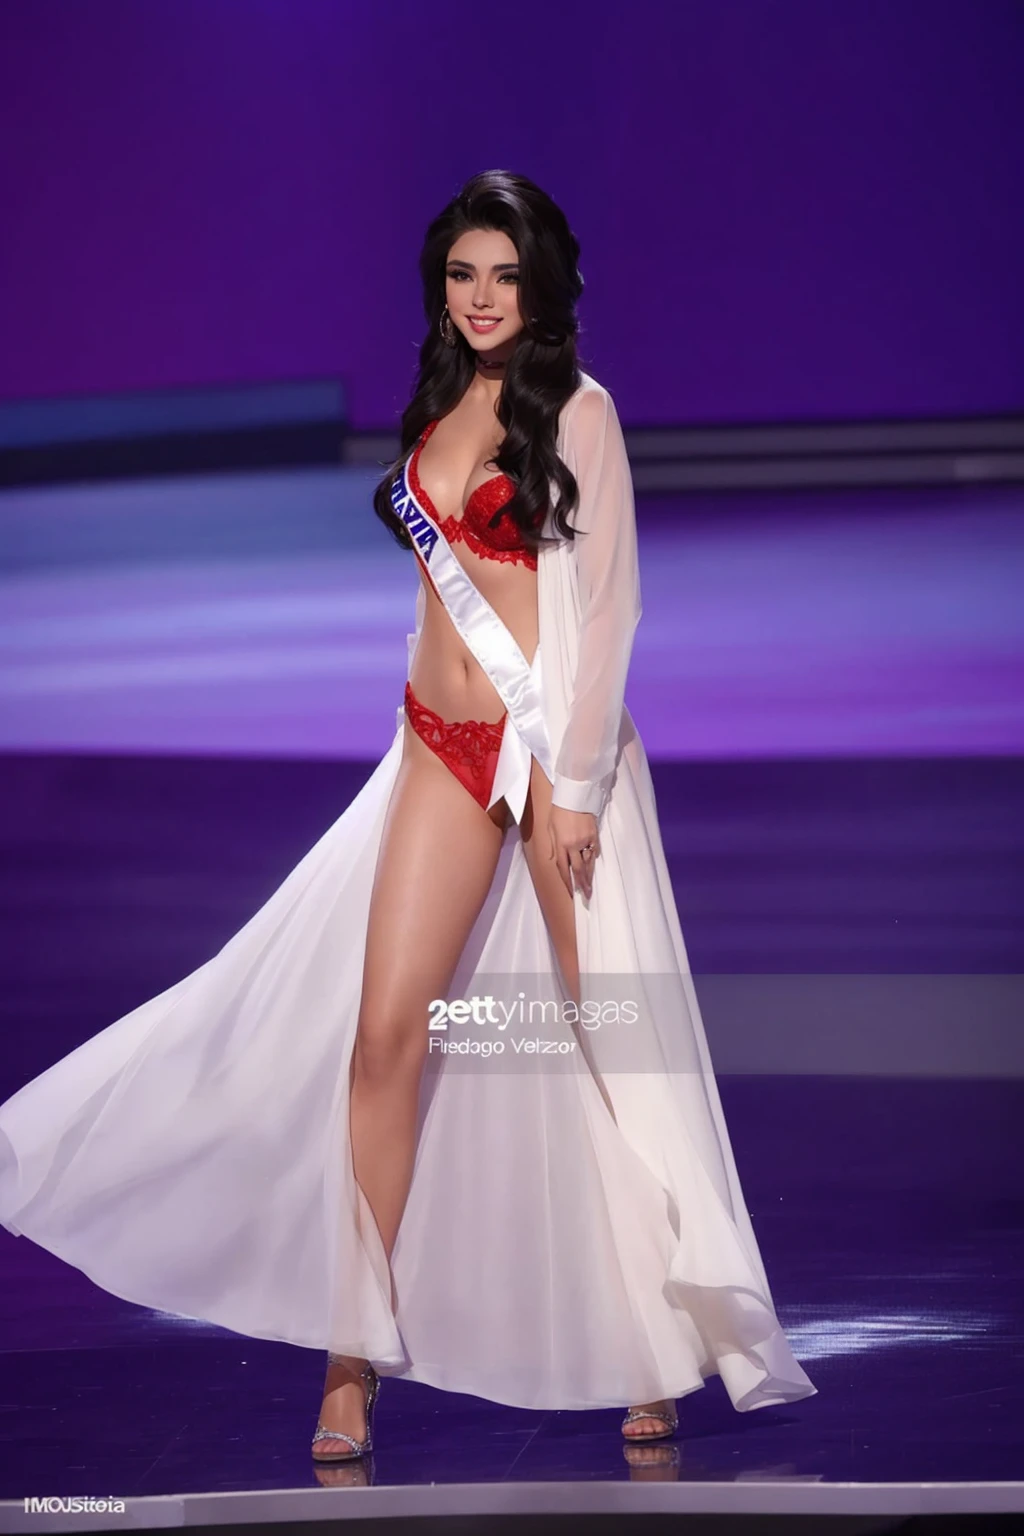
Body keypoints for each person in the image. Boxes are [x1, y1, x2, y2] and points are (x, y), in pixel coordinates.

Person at [0, 171, 816, 1465]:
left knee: (610, 1050)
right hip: (438, 751)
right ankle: (352, 1357)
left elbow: (607, 614)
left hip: (552, 764)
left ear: (541, 285)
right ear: (440, 289)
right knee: (384, 1043)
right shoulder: (436, 399)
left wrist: (576, 787)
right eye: (461, 276)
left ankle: (653, 1345)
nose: (483, 298)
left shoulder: (584, 416)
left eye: (503, 275)